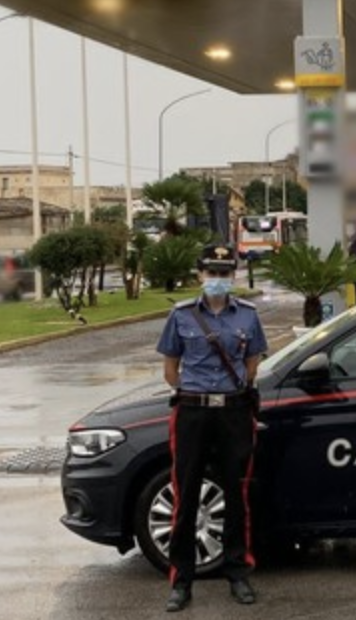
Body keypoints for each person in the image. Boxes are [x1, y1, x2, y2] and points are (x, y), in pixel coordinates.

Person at [156, 244, 269, 612]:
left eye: (224, 274)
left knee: (237, 494)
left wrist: (228, 391)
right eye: (211, 273)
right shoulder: (182, 315)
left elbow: (252, 364)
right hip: (192, 412)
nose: (217, 280)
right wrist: (195, 393)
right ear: (199, 275)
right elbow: (171, 368)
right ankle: (181, 581)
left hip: (234, 412)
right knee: (185, 496)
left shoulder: (248, 316)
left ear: (232, 276)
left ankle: (237, 573)